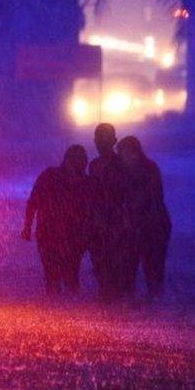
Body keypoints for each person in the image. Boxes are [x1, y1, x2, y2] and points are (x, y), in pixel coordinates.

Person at [22, 145, 91, 294]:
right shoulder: (51, 176)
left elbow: (33, 201)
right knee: (60, 276)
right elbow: (34, 201)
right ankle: (64, 309)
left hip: (67, 235)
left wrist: (28, 226)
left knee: (66, 275)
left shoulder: (52, 176)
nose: (75, 166)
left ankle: (60, 309)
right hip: (53, 234)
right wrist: (27, 226)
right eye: (74, 161)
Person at [117, 136, 171, 301]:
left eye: (124, 153)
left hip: (153, 226)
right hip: (143, 226)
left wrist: (130, 213)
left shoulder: (148, 169)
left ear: (134, 152)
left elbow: (150, 197)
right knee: (133, 265)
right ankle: (141, 301)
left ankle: (153, 302)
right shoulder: (131, 171)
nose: (122, 157)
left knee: (152, 267)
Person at [87, 123, 130, 301]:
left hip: (116, 219)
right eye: (99, 138)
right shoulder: (94, 165)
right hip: (100, 220)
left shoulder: (121, 164)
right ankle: (108, 296)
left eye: (104, 139)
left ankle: (114, 298)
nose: (101, 143)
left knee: (115, 262)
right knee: (100, 262)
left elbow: (126, 192)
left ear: (113, 140)